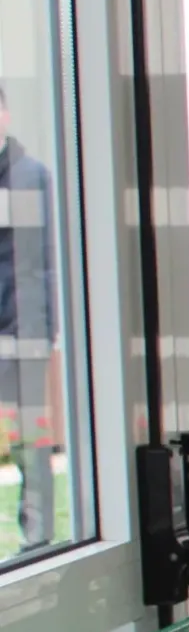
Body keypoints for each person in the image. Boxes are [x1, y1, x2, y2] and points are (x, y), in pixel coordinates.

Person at [0, 87, 59, 552]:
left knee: (30, 444)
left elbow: (40, 262)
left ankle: (37, 542)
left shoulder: (28, 175)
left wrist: (41, 333)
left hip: (22, 334)